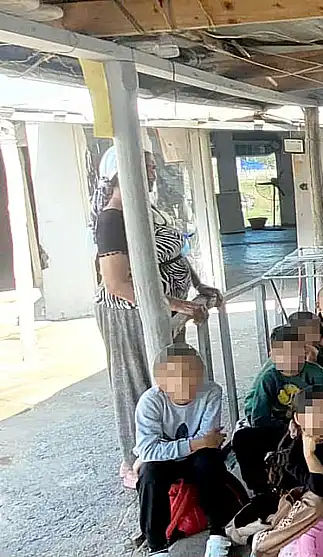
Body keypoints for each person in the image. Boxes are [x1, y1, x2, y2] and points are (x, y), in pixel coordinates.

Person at [92, 146, 217, 488]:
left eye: (150, 166)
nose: (151, 173)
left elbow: (174, 254)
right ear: (119, 173)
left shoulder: (145, 210)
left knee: (175, 379)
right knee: (137, 382)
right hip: (130, 315)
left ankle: (177, 449)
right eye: (144, 166)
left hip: (163, 309)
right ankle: (139, 462)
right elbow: (117, 283)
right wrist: (176, 304)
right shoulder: (112, 219)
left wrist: (197, 285)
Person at [134, 344, 236, 557]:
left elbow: (210, 441)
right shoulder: (150, 402)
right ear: (161, 383)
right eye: (180, 376)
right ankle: (156, 546)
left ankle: (218, 532)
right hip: (166, 463)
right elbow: (148, 451)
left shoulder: (211, 392)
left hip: (195, 458)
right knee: (149, 473)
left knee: (209, 461)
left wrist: (200, 444)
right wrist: (198, 443)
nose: (189, 381)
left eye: (195, 373)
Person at [251, 389, 323, 557]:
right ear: (298, 418)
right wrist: (310, 455)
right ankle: (265, 544)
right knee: (320, 502)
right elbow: (318, 489)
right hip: (301, 500)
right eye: (316, 414)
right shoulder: (292, 450)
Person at [235, 325, 323, 495]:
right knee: (242, 438)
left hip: (316, 428)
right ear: (272, 355)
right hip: (282, 430)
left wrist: (313, 422)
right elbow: (258, 417)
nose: (290, 358)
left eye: (295, 352)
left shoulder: (315, 373)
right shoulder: (268, 378)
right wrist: (288, 426)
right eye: (283, 354)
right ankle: (261, 490)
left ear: (305, 351)